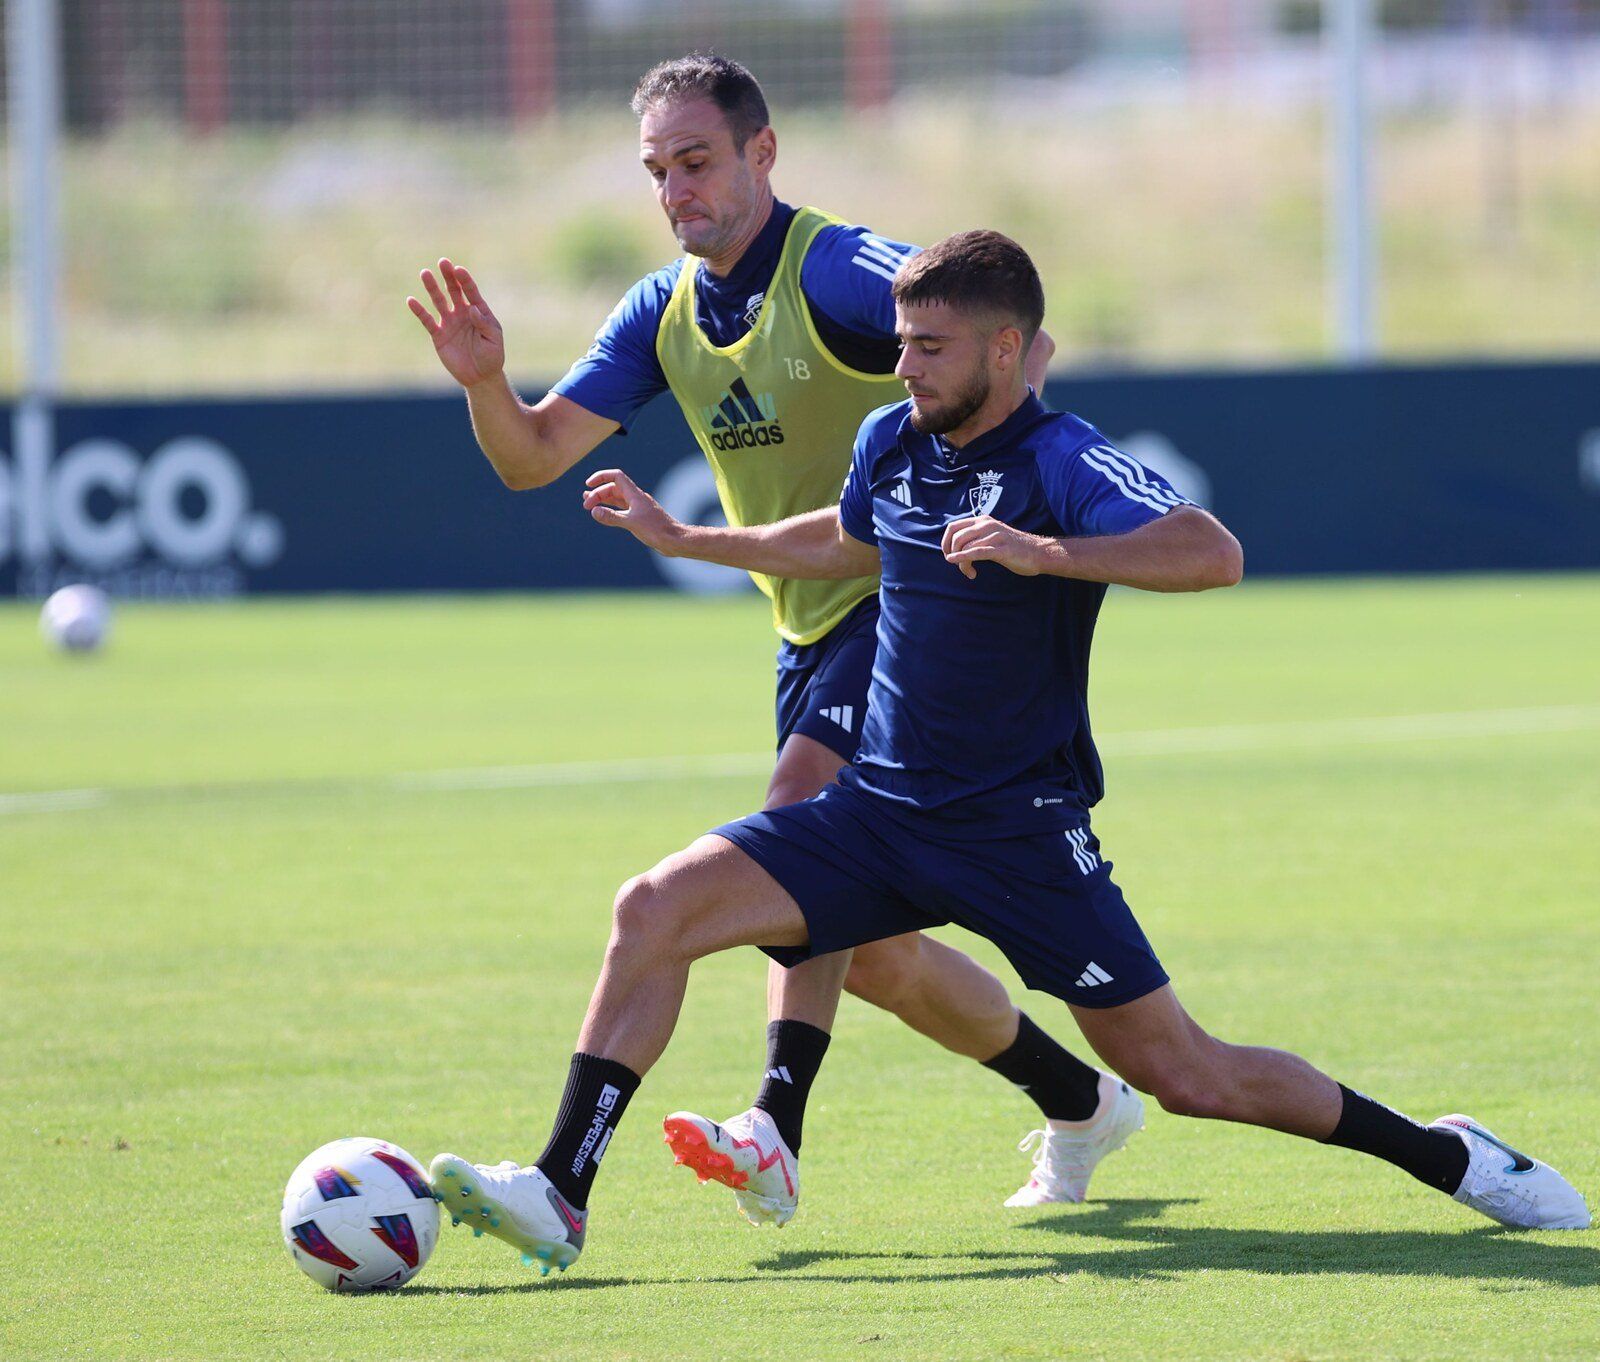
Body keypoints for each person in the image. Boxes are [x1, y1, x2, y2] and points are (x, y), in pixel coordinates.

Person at [427, 229, 1590, 1277]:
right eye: (899, 344)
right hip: (874, 816)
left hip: (1018, 833)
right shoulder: (892, 436)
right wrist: (689, 537)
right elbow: (841, 543)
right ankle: (559, 1192)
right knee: (652, 908)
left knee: (1190, 1075)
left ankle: (1444, 1158)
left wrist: (1051, 555)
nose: (904, 369)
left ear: (1006, 348)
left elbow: (1210, 549)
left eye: (930, 348)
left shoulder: (1061, 458)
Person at [406, 54, 1132, 1234]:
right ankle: (1081, 1099)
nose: (676, 190)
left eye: (696, 161)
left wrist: (963, 500)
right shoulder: (663, 311)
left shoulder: (838, 269)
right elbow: (532, 456)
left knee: (785, 829)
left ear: (761, 154)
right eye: (656, 172)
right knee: (878, 956)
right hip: (805, 629)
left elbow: (1013, 343)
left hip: (901, 614)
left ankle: (726, 1141)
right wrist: (487, 384)